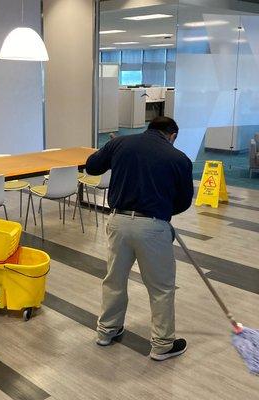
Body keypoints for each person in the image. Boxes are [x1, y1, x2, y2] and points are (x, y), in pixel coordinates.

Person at [85, 116, 193, 361]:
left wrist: (110, 150)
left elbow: (91, 167)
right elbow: (184, 201)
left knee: (114, 279)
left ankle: (106, 331)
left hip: (118, 222)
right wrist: (161, 215)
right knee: (161, 288)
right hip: (153, 226)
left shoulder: (121, 143)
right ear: (172, 135)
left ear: (149, 128)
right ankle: (163, 345)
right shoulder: (179, 159)